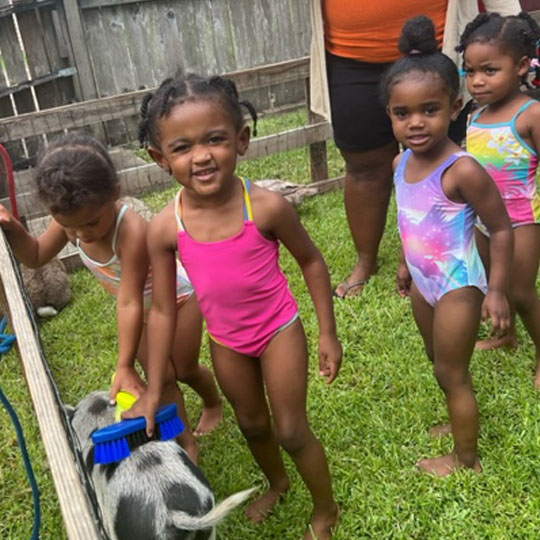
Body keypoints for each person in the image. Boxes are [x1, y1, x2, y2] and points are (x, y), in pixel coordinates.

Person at [126, 74, 342, 539]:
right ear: (160, 159)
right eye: (182, 147)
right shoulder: (165, 227)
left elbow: (312, 262)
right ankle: (278, 482)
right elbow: (162, 311)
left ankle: (325, 509)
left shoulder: (265, 207)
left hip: (278, 331)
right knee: (251, 423)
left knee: (290, 429)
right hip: (226, 342)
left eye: (215, 139)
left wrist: (327, 332)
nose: (201, 156)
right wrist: (155, 386)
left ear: (241, 140)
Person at [0, 133, 223, 463]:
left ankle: (213, 402)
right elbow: (34, 255)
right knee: (162, 378)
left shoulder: (130, 230)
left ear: (114, 194)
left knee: (185, 368)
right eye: (70, 227)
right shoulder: (71, 219)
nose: (82, 234)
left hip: (178, 297)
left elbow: (130, 299)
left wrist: (124, 364)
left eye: (91, 222)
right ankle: (187, 442)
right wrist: (11, 227)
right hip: (142, 311)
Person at [309, 0, 521, 298]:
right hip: (351, 54)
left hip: (441, 46)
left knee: (443, 164)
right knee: (363, 163)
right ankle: (366, 261)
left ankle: (453, 255)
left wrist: (513, 24)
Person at [387, 16, 513, 475]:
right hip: (425, 282)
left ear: (454, 107)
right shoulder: (400, 163)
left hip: (459, 284)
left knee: (452, 372)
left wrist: (496, 291)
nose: (416, 123)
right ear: (390, 116)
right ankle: (459, 423)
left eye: (429, 110)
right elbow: (408, 217)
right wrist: (404, 262)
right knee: (439, 361)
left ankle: (466, 458)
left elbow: (500, 228)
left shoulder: (462, 170)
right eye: (403, 114)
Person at [459, 12, 540, 385]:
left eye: (490, 70)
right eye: (470, 71)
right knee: (493, 283)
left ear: (521, 65)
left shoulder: (531, 114)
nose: (477, 81)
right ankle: (506, 336)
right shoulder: (475, 116)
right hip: (482, 220)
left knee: (521, 292)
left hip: (522, 219)